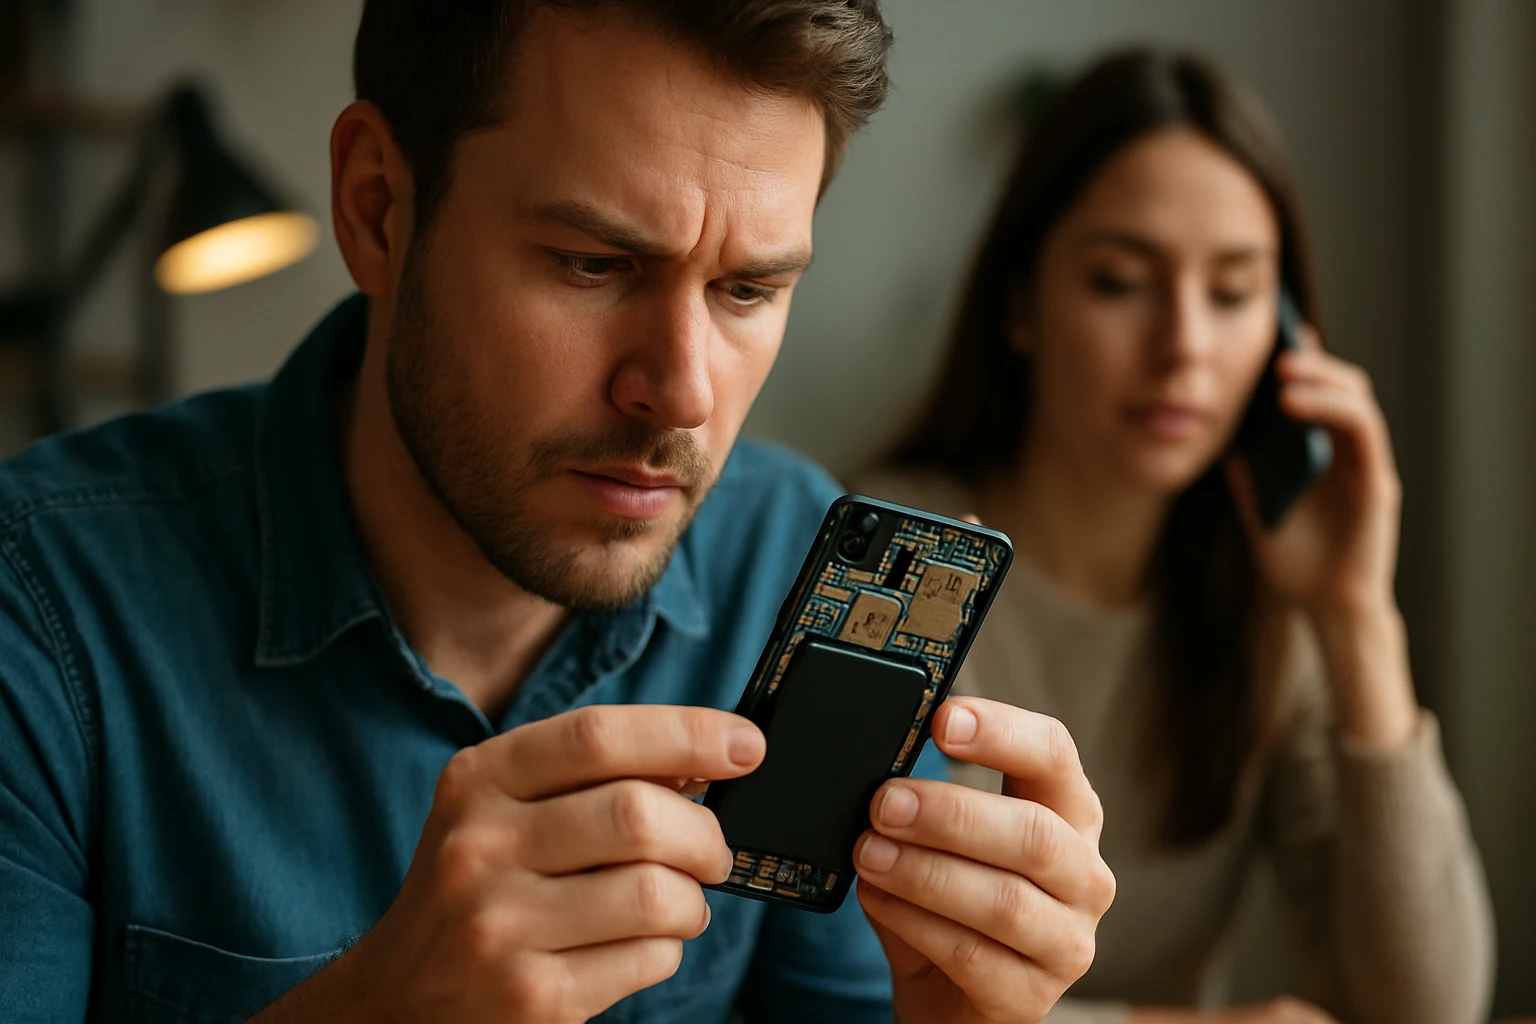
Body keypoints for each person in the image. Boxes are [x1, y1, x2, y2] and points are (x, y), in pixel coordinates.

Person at [0, 3, 1120, 1023]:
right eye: (593, 264)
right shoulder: (40, 612)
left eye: (748, 290)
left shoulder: (788, 568)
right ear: (378, 209)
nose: (681, 393)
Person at [856, 48, 1493, 1024]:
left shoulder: (1263, 601)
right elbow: (860, 984)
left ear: (1284, 335)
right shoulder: (908, 556)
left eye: (1233, 294)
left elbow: (1431, 1005)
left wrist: (1357, 616)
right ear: (1021, 303)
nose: (1185, 345)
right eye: (1120, 282)